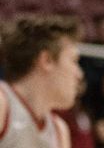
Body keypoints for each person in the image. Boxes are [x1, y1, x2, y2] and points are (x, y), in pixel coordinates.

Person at [0, 14, 84, 147]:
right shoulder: (3, 103)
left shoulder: (59, 130)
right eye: (74, 61)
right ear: (47, 60)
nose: (79, 74)